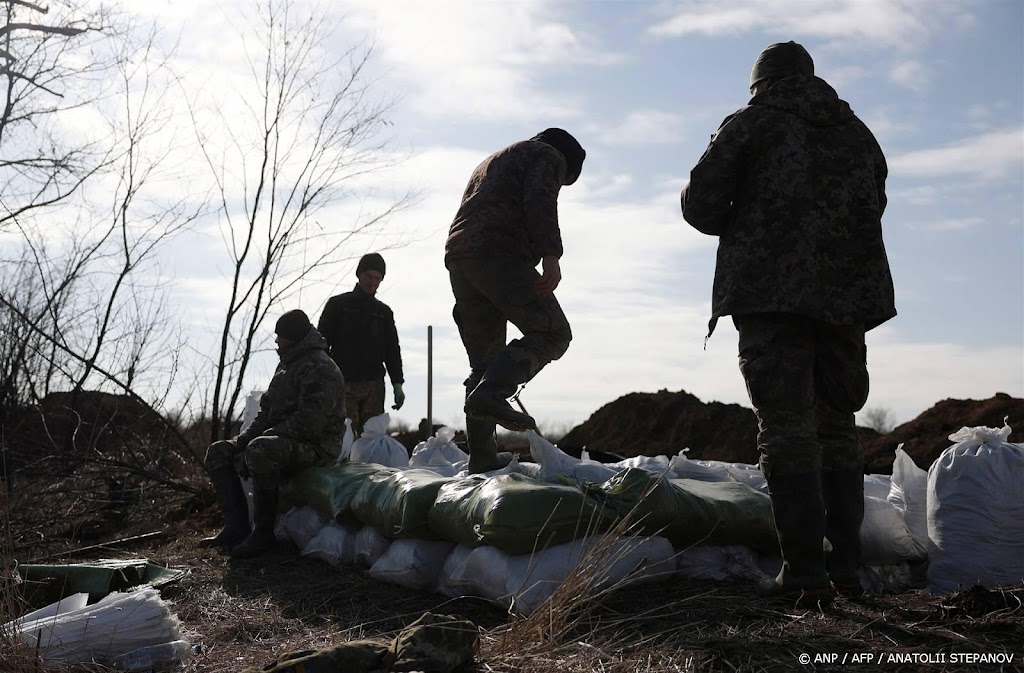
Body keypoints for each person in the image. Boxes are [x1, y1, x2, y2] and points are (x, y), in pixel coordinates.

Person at [680, 41, 896, 605]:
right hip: (847, 301)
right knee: (837, 426)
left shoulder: (752, 124)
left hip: (771, 296)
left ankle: (803, 574)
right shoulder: (858, 133)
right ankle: (845, 568)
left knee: (786, 429)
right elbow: (875, 201)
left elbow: (701, 207)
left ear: (760, 83)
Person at [445, 128, 585, 473]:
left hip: (461, 260)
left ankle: (481, 459)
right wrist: (551, 254)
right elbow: (539, 199)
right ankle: (494, 394)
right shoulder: (547, 156)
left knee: (484, 363)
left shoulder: (493, 161)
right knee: (553, 332)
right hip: (500, 253)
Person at [200, 309, 346, 558]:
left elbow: (309, 423)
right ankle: (236, 528)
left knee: (260, 449)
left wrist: (257, 442)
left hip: (317, 446)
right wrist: (243, 441)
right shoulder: (287, 364)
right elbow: (266, 411)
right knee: (219, 451)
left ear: (294, 336)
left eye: (281, 336)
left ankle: (263, 533)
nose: (276, 341)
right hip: (283, 438)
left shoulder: (321, 368)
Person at [318, 253, 405, 435]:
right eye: (369, 276)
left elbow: (392, 350)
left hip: (374, 386)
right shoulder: (338, 305)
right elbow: (322, 346)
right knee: (343, 436)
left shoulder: (384, 312)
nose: (372, 282)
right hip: (343, 382)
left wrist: (397, 383)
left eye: (378, 278)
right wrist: (323, 379)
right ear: (359, 275)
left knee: (372, 438)